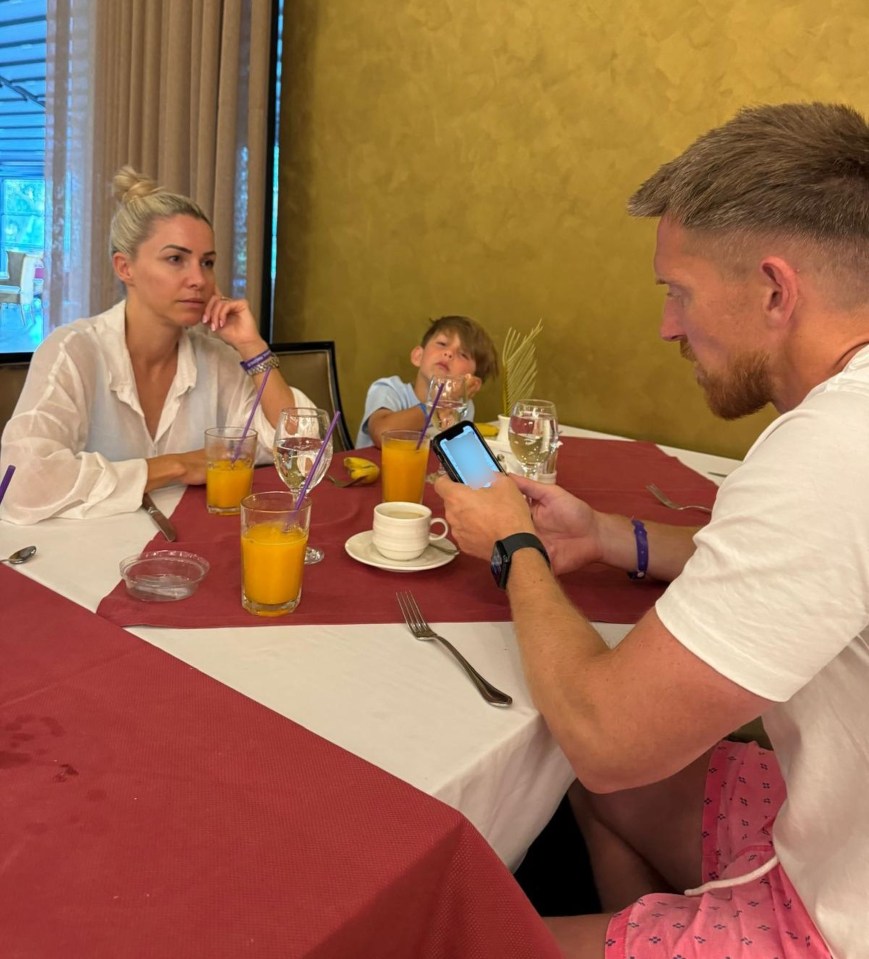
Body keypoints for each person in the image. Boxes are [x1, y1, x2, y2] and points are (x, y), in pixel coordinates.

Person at [436, 102, 869, 958]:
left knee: (440, 936)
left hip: (838, 915)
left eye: (679, 293)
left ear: (776, 290)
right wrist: (606, 537)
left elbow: (605, 738)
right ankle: (652, 933)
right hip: (834, 822)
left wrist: (513, 545)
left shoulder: (833, 448)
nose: (668, 326)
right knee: (597, 796)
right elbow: (810, 578)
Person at [0, 166, 312, 524]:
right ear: (125, 267)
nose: (199, 280)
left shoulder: (219, 361)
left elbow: (304, 457)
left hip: (191, 553)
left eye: (207, 263)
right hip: (80, 564)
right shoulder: (73, 352)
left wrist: (252, 348)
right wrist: (175, 466)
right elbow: (20, 484)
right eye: (176, 259)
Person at [354, 314, 498, 448]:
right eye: (442, 344)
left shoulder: (462, 407)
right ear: (418, 356)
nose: (449, 353)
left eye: (463, 354)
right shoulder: (388, 389)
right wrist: (440, 404)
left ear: (472, 382)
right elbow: (382, 434)